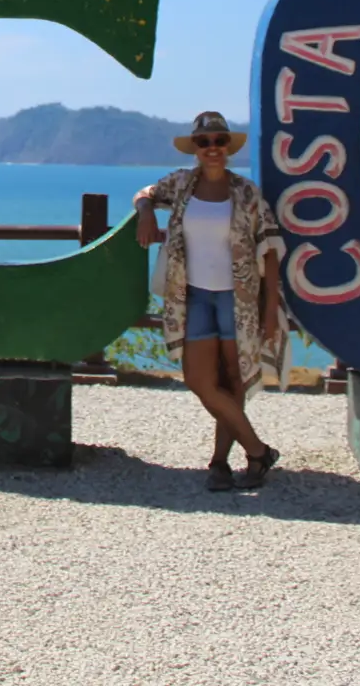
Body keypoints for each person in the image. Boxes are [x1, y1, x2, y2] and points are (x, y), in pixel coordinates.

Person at [132, 111, 287, 491]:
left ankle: (220, 464)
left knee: (232, 380)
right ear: (196, 148)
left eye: (218, 141)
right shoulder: (182, 185)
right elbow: (144, 193)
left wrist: (269, 312)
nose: (212, 148)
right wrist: (145, 213)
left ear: (228, 147)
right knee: (200, 380)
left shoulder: (247, 193)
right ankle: (258, 449)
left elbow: (269, 250)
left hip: (240, 299)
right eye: (204, 142)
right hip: (194, 297)